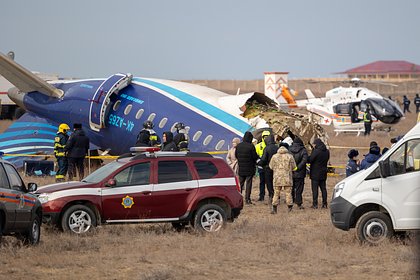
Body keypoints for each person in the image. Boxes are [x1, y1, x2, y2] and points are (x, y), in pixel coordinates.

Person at [269, 144, 297, 214]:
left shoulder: (274, 156)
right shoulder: (290, 156)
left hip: (277, 177)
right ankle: (289, 208)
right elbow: (294, 167)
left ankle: (274, 208)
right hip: (287, 177)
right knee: (288, 193)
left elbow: (271, 166)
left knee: (276, 193)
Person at [235, 131, 259, 204]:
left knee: (240, 184)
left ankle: (238, 199)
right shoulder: (251, 146)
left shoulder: (239, 146)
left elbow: (236, 156)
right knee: (248, 184)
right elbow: (254, 157)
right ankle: (247, 199)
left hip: (241, 168)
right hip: (249, 168)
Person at [308, 138, 330, 209]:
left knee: (315, 189)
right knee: (323, 188)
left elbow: (310, 160)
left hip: (315, 173)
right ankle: (325, 203)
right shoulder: (327, 151)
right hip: (323, 172)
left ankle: (315, 204)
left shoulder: (316, 151)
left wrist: (312, 151)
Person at [289, 137, 308, 209]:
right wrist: (298, 167)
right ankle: (299, 203)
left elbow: (288, 159)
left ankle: (291, 201)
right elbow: (304, 160)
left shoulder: (289, 149)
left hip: (291, 172)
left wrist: (292, 167)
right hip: (300, 173)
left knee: (291, 187)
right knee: (299, 188)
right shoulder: (303, 150)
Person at [258, 134, 278, 204]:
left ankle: (271, 195)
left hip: (268, 168)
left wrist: (259, 163)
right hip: (276, 168)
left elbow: (264, 159)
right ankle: (277, 196)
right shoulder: (277, 147)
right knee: (275, 183)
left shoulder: (267, 148)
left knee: (269, 183)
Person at [255, 130, 270, 201]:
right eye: (265, 137)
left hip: (269, 166)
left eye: (267, 137)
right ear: (262, 137)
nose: (266, 138)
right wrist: (258, 161)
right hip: (261, 166)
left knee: (269, 182)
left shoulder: (271, 146)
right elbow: (255, 155)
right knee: (262, 182)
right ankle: (261, 196)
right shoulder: (258, 146)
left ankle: (271, 194)